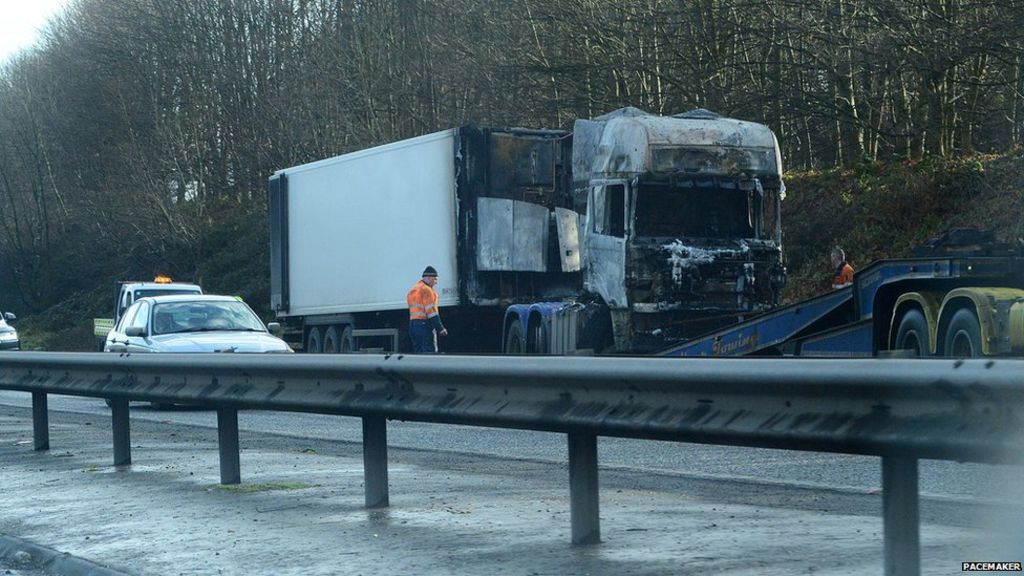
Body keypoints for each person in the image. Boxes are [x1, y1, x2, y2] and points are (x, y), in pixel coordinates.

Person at [407, 266, 447, 353]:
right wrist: (440, 328)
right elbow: (431, 313)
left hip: (413, 326)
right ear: (428, 277)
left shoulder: (413, 289)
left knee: (419, 355)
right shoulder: (427, 290)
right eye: (435, 279)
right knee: (429, 355)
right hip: (424, 326)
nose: (436, 282)